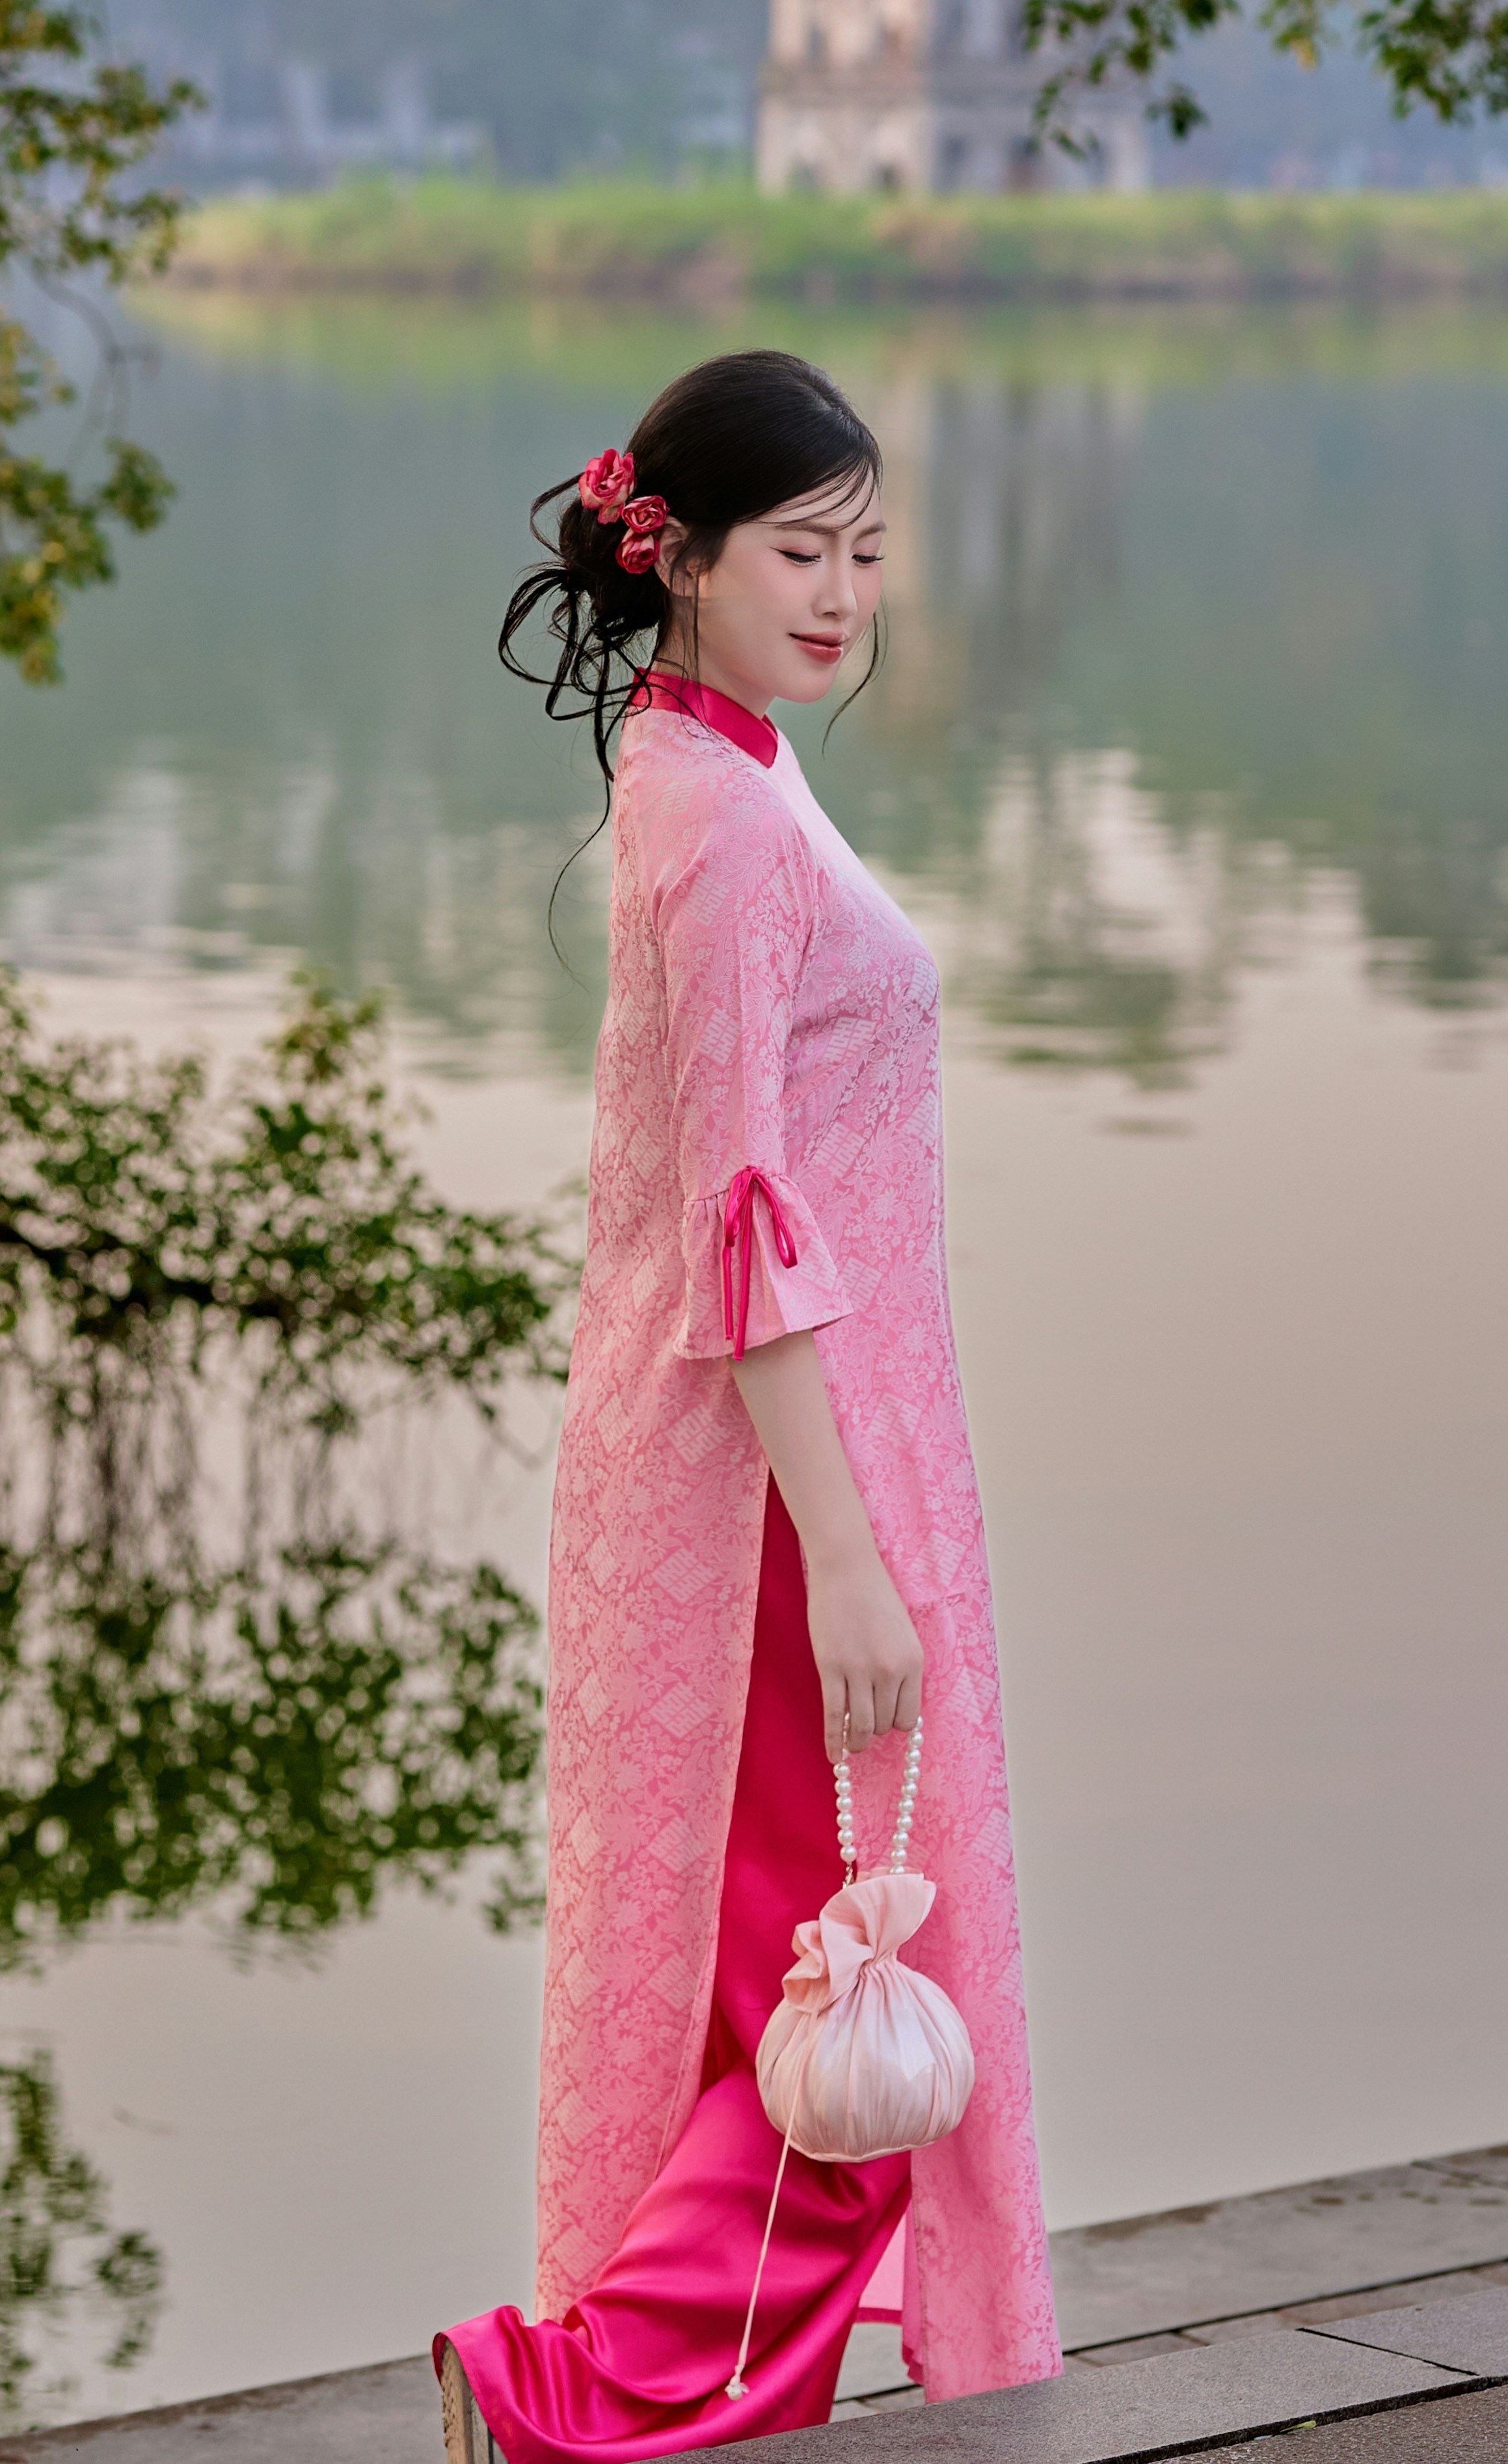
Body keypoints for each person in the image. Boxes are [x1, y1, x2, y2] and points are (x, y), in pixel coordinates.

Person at [435, 350, 1058, 2464]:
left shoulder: (720, 756)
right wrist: (855, 1570)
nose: (844, 591)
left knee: (791, 1986)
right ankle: (575, 2399)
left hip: (808, 1461)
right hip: (786, 1493)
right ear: (679, 556)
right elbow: (740, 1215)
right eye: (802, 549)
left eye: (868, 550)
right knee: (859, 2005)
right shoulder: (711, 816)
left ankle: (624, 2388)